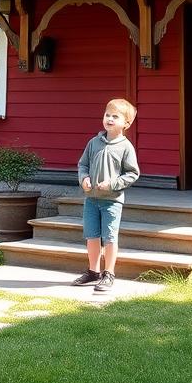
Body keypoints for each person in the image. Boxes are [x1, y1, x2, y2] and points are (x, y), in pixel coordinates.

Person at [73, 97, 140, 293]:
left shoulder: (126, 147)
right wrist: (84, 178)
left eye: (115, 116)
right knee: (92, 236)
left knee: (109, 237)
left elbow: (133, 174)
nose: (109, 119)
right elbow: (82, 164)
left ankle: (108, 273)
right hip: (91, 199)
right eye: (107, 115)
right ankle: (93, 271)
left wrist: (112, 184)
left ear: (126, 123)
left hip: (112, 202)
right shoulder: (93, 142)